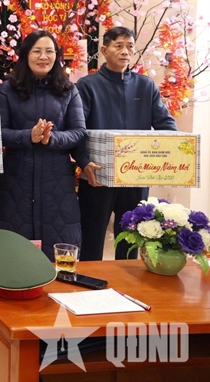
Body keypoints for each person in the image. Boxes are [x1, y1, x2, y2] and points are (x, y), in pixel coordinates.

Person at [74, 26, 178, 260]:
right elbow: (77, 129)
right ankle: (89, 283)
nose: (125, 51)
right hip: (97, 176)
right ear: (104, 50)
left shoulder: (146, 86)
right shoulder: (87, 85)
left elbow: (166, 124)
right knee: (92, 240)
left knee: (131, 241)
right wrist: (83, 161)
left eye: (130, 46)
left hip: (135, 176)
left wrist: (173, 153)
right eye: (118, 46)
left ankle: (127, 283)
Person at [0, 30, 87, 261]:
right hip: (15, 182)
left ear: (57, 56)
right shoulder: (8, 89)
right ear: (25, 55)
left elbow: (79, 132)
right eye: (37, 51)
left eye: (49, 51)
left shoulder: (68, 90)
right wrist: (28, 136)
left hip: (57, 184)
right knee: (12, 257)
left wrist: (51, 139)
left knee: (57, 255)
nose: (44, 57)